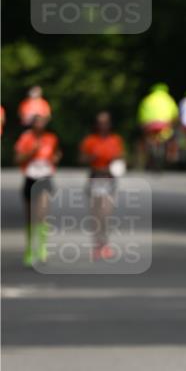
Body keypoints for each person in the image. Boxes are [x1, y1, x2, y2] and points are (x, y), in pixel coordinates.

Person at [14, 114, 61, 266]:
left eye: (42, 122)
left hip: (45, 178)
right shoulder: (26, 138)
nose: (40, 125)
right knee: (30, 216)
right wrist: (31, 151)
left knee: (42, 214)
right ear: (32, 124)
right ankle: (29, 248)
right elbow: (17, 159)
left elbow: (56, 154)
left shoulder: (51, 138)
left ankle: (41, 248)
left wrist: (56, 158)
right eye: (37, 123)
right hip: (30, 178)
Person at [79, 111, 126, 260]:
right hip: (95, 179)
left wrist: (116, 161)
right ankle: (96, 244)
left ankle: (105, 243)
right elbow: (81, 158)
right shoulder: (90, 140)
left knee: (106, 213)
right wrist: (92, 157)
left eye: (105, 122)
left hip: (109, 180)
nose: (103, 125)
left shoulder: (115, 140)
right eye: (100, 122)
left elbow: (122, 158)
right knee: (96, 214)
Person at [136, 83, 179, 168]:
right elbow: (175, 115)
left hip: (149, 126)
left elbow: (140, 115)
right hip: (165, 126)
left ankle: (144, 157)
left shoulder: (147, 99)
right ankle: (171, 155)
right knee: (171, 139)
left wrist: (141, 125)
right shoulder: (169, 99)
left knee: (145, 140)